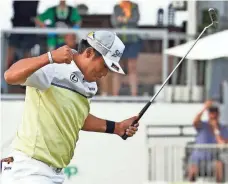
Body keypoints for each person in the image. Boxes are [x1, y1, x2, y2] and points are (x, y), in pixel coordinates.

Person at [2, 30, 139, 184]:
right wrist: (49, 57)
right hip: (29, 170)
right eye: (105, 65)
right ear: (89, 53)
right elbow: (10, 75)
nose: (105, 73)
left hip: (54, 173)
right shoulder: (54, 67)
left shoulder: (90, 85)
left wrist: (117, 127)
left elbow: (76, 117)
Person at [187, 100, 228, 182]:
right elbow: (195, 122)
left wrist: (215, 129)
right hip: (197, 159)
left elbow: (222, 144)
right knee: (192, 168)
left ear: (218, 114)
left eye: (215, 113)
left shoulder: (223, 128)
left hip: (212, 159)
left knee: (219, 165)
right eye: (211, 113)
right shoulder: (202, 125)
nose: (213, 115)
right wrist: (204, 108)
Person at [110, 0, 141, 96]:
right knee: (117, 68)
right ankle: (115, 95)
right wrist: (127, 19)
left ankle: (134, 95)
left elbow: (135, 19)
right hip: (119, 41)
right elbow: (114, 21)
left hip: (133, 40)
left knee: (132, 68)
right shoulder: (117, 7)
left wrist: (123, 20)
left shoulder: (134, 6)